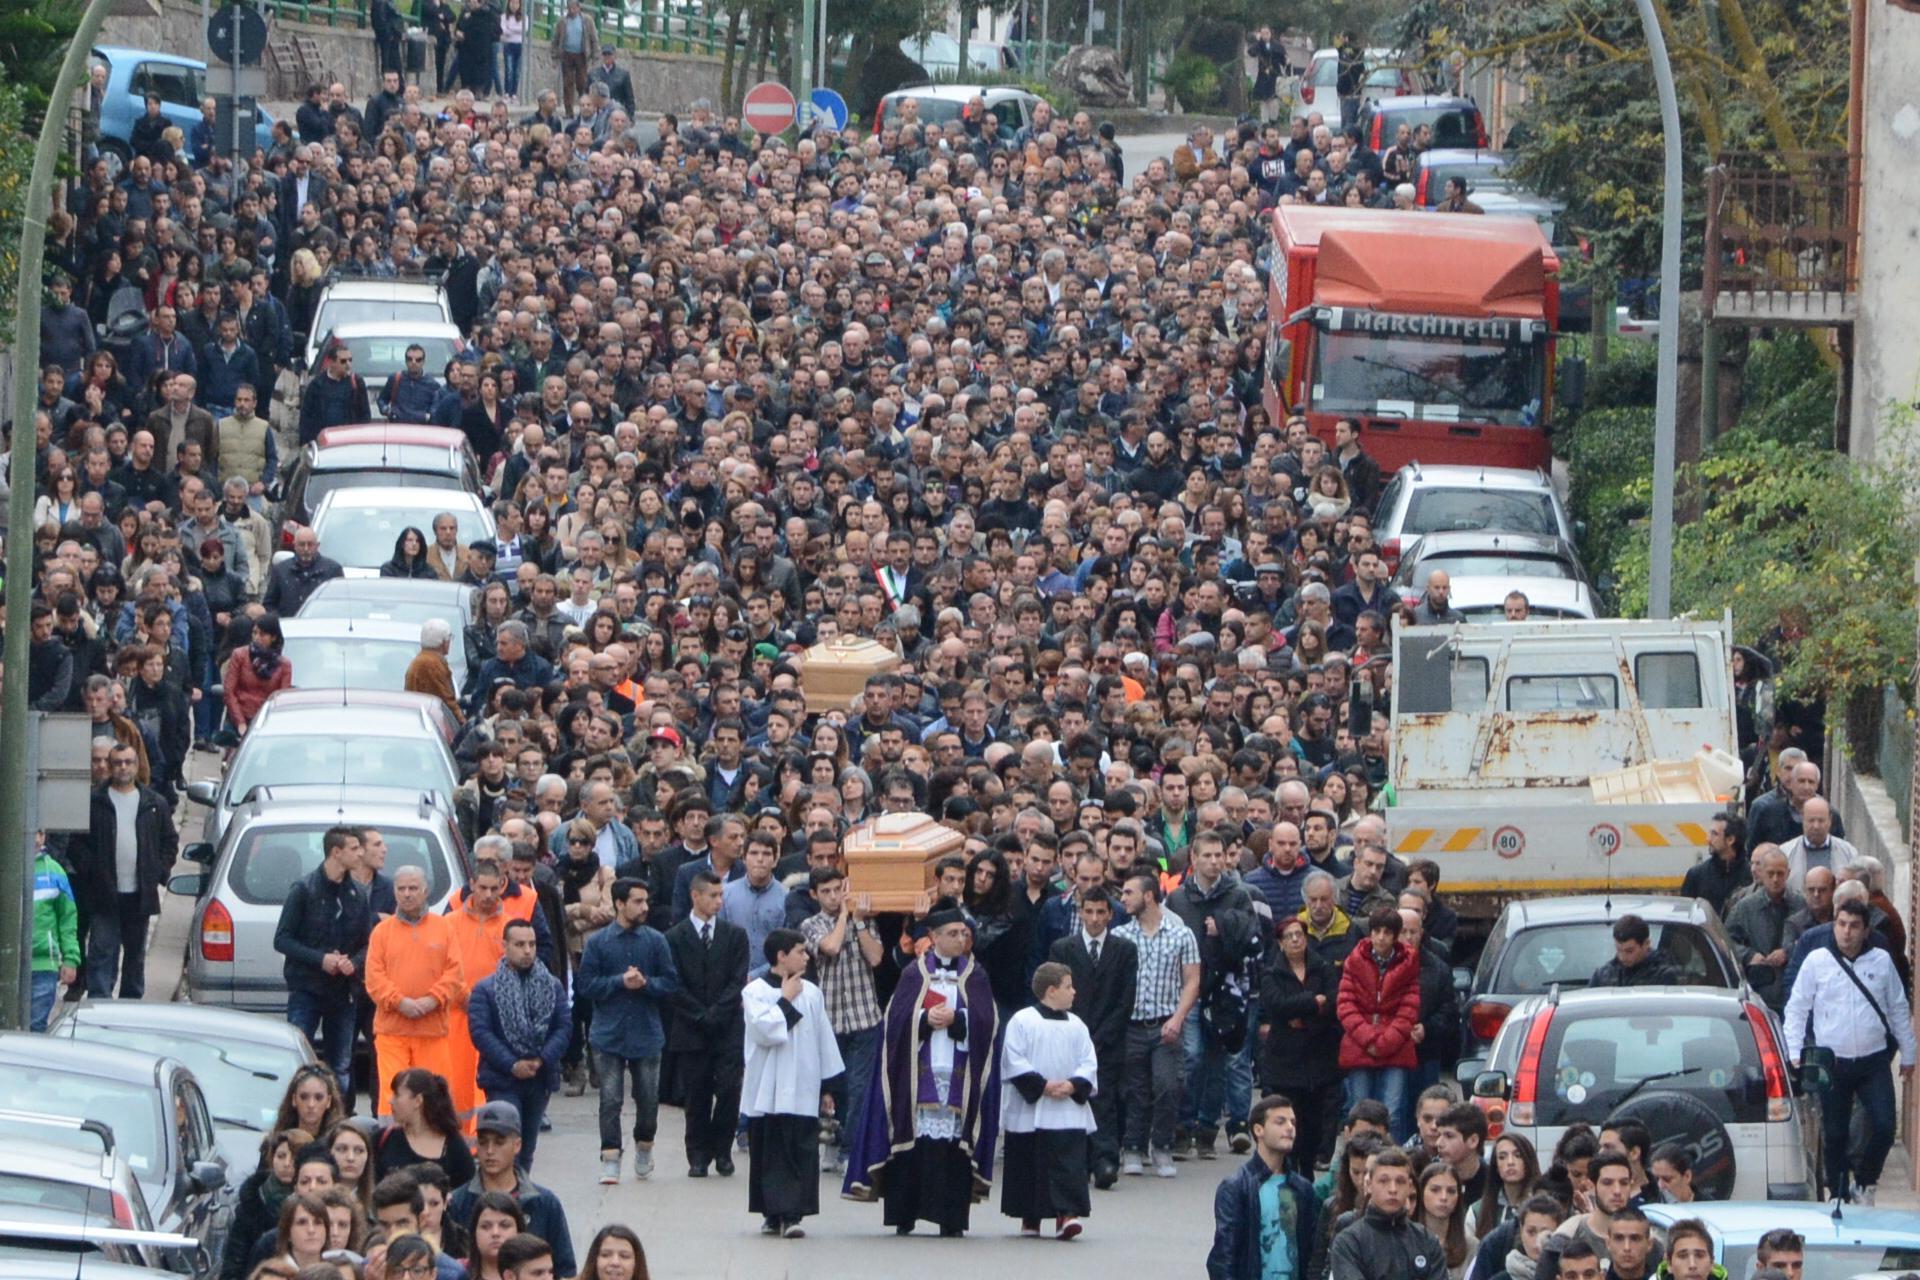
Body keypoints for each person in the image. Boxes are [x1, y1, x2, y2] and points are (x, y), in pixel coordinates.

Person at [843, 898, 1001, 1237]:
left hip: (957, 1073)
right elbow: (894, 1022)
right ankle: (905, 1214)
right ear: (934, 936)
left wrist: (960, 1020)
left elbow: (988, 1021)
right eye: (954, 933)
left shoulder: (977, 975)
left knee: (951, 1144)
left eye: (964, 932)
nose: (962, 938)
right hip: (919, 1070)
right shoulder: (914, 973)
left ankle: (951, 1218)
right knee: (914, 1138)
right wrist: (924, 1020)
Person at [1783, 898, 1916, 1203]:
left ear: (1866, 930)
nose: (1847, 932)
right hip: (1833, 1061)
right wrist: (1795, 1051)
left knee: (1884, 1126)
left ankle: (1866, 1182)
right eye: (1841, 924)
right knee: (1836, 1133)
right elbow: (1798, 1007)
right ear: (1834, 924)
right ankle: (1839, 1193)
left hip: (1872, 1060)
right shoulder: (1817, 961)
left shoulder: (1881, 961)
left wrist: (1909, 1053)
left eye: (1854, 926)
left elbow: (1897, 1008)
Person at [742, 927, 845, 1238]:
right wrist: (785, 1001)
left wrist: (829, 1087)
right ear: (781, 957)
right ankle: (772, 1213)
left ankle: (793, 1214)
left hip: (802, 1084)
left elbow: (823, 1038)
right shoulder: (755, 991)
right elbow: (763, 1031)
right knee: (770, 1149)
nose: (806, 956)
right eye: (800, 951)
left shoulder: (811, 992)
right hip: (768, 1086)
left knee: (799, 1148)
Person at [577, 876, 680, 1183]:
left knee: (648, 1099)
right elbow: (586, 986)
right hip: (609, 1033)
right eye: (637, 901)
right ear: (619, 904)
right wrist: (619, 982)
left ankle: (644, 1144)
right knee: (610, 1098)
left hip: (647, 1034)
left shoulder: (655, 941)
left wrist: (646, 984)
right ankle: (610, 1155)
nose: (644, 906)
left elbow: (671, 982)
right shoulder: (598, 943)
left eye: (646, 900)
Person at [998, 961, 1098, 1240]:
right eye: (1068, 986)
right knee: (1029, 1160)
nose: (1074, 992)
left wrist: (1073, 1084)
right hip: (1032, 1107)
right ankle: (1030, 1217)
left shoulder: (1077, 1025)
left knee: (1068, 1162)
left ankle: (1067, 1215)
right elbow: (1013, 1059)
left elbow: (1088, 1061)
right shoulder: (1022, 1021)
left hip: (1067, 1108)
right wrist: (1040, 1085)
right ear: (1051, 990)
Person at [1047, 880, 1136, 1187]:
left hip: (1109, 1039)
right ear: (1081, 913)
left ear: (1111, 914)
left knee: (1105, 1098)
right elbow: (1056, 994)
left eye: (1101, 912)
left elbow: (1125, 999)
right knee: (1072, 1096)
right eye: (1089, 911)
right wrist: (1075, 1033)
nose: (1095, 918)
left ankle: (1105, 1159)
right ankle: (1076, 1159)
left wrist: (1101, 1036)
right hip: (1071, 1036)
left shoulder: (1124, 949)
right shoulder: (1063, 948)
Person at [797, 865, 884, 1176]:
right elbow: (830, 947)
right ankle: (834, 1139)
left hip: (865, 1016)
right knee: (835, 1088)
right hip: (831, 1019)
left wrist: (858, 921)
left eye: (838, 889)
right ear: (814, 895)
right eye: (827, 892)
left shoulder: (865, 920)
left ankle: (850, 1150)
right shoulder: (810, 924)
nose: (834, 897)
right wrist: (846, 915)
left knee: (860, 1087)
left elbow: (875, 958)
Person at [1113, 870, 1201, 1178]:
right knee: (1134, 1090)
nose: (1122, 899)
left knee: (1168, 1085)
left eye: (1128, 893)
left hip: (1166, 1023)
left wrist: (1178, 1018)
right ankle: (1133, 1146)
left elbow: (1191, 981)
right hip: (1133, 1025)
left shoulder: (1181, 934)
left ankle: (1162, 1144)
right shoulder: (1121, 936)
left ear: (1148, 896)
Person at [274, 826, 372, 1096]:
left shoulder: (359, 894)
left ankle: (336, 1120)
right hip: (307, 989)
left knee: (340, 1065)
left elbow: (369, 941)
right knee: (298, 1059)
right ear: (336, 852)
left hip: (343, 994)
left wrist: (355, 962)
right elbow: (282, 939)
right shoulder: (304, 890)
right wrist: (320, 959)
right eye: (354, 849)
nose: (360, 853)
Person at [663, 870, 749, 1178]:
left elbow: (738, 979)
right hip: (691, 1029)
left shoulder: (734, 935)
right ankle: (697, 1154)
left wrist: (718, 1012)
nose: (717, 901)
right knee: (696, 1095)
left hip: (727, 1028)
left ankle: (722, 1150)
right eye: (712, 895)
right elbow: (673, 983)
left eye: (720, 895)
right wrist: (699, 1014)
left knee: (729, 1091)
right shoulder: (674, 937)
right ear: (695, 896)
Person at [468, 918, 570, 1169]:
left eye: (532, 944)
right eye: (520, 944)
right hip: (502, 1079)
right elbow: (481, 1033)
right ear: (504, 945)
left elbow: (564, 1027)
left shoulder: (552, 986)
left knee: (526, 1150)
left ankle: (520, 1200)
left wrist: (541, 1060)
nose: (527, 951)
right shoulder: (486, 989)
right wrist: (512, 1064)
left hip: (539, 1078)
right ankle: (501, 1200)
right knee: (504, 1146)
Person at [363, 866, 462, 1114]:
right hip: (392, 1031)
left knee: (433, 1096)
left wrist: (432, 1000)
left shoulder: (444, 928)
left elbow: (455, 974)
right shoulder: (381, 933)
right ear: (394, 892)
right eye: (401, 889)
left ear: (425, 891)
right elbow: (374, 978)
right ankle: (391, 1145)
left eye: (413, 888)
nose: (407, 894)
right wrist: (400, 1002)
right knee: (391, 1095)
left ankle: (434, 1146)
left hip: (432, 1031)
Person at [448, 1102, 576, 1280]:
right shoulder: (457, 1202)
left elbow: (565, 1269)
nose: (490, 1151)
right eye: (483, 1143)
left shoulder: (545, 1203)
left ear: (517, 1145)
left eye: (499, 1142)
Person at [1207, 1093, 1319, 1278]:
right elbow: (1224, 1254)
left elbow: (1312, 1252)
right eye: (1280, 1122)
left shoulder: (1303, 1189)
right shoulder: (1237, 1187)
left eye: (1293, 1122)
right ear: (1259, 1130)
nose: (1290, 1128)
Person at [1336, 906, 1421, 1142]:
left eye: (1387, 932)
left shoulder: (1408, 964)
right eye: (1376, 931)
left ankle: (1388, 1162)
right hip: (1359, 1044)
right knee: (1359, 1111)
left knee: (1392, 1112)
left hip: (1395, 1047)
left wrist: (1385, 1041)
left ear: (1395, 936)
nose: (1381, 937)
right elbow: (1345, 1004)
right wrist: (1368, 1038)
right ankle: (1357, 1160)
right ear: (1370, 933)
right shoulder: (1354, 961)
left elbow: (1409, 1008)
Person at [1327, 1146, 1448, 1280]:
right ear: (1369, 1185)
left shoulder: (1427, 1241)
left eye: (1400, 1182)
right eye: (1383, 1181)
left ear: (1409, 1186)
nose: (1393, 1189)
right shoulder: (1349, 1242)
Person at [29, 833, 81, 1030]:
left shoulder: (55, 872)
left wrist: (70, 958)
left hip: (43, 965)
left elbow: (68, 920)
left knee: (36, 1025)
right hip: (9, 964)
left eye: (39, 833)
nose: (35, 837)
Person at [1586, 915, 1680, 987]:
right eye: (1618, 950)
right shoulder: (1603, 976)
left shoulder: (1663, 976)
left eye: (1629, 951)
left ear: (1646, 944)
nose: (1622, 957)